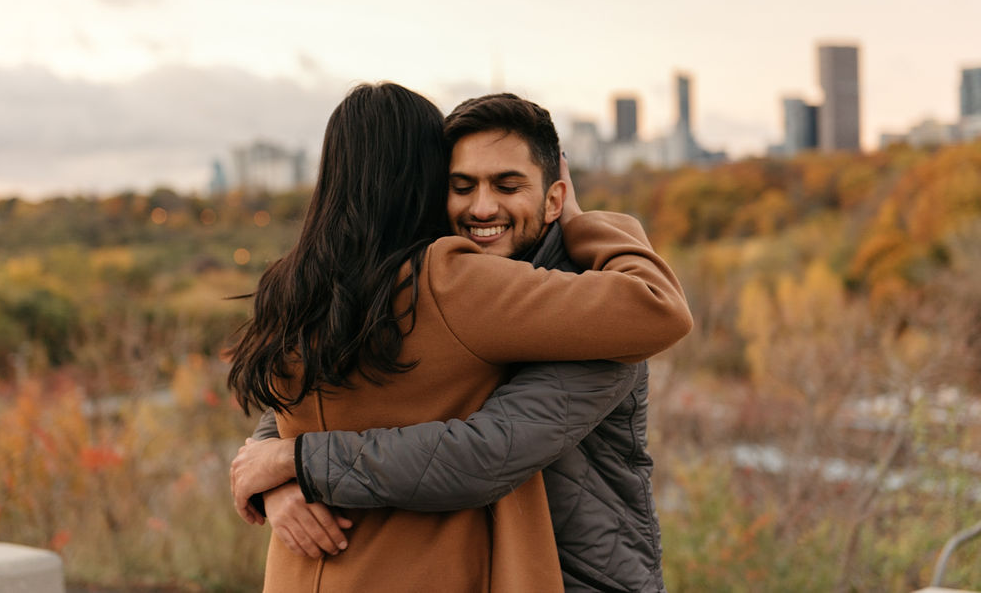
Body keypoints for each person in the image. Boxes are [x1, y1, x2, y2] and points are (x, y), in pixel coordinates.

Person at [228, 84, 692, 592]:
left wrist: (291, 463)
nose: (482, 207)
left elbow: (481, 452)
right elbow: (314, 391)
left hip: (583, 577)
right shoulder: (428, 285)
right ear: (428, 183)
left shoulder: (298, 282)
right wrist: (275, 469)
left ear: (554, 197)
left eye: (508, 186)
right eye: (461, 185)